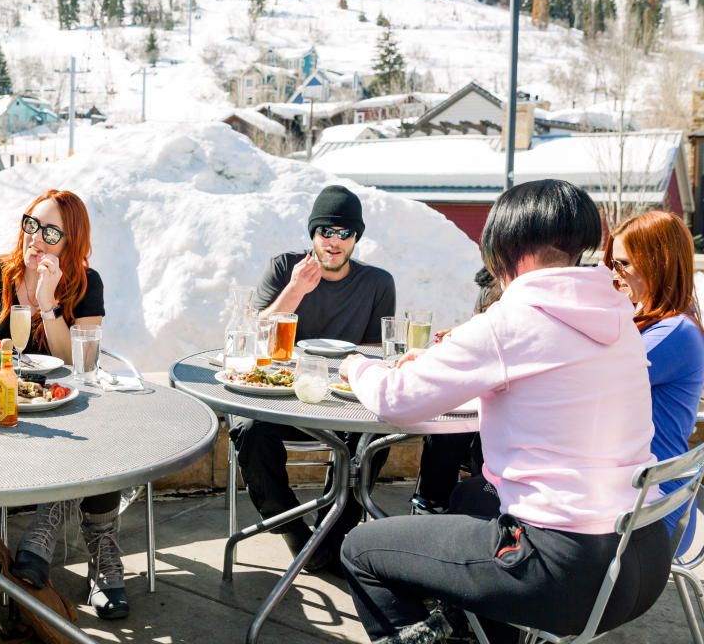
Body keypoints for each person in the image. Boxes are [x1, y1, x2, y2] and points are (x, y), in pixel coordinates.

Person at [339, 180, 671, 644]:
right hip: (643, 555)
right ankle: (476, 631)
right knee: (470, 498)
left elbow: (395, 398)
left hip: (564, 572)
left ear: (504, 248)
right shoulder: (615, 313)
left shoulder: (513, 318)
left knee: (360, 549)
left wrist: (357, 365)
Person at [0, 189, 126, 618]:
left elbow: (79, 366)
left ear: (70, 241)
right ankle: (45, 539)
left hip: (63, 402)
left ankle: (82, 545)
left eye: (51, 231)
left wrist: (50, 302)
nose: (35, 238)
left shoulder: (87, 284)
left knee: (101, 435)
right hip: (4, 406)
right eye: (31, 224)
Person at [230, 184, 395, 570]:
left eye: (344, 234)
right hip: (282, 400)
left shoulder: (376, 283)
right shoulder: (284, 268)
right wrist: (295, 290)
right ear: (312, 234)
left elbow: (375, 356)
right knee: (249, 429)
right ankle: (294, 533)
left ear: (356, 238)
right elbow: (254, 337)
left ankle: (334, 529)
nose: (334, 242)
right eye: (326, 232)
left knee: (380, 431)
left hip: (340, 402)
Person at [605, 210, 704, 556]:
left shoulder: (671, 332)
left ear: (657, 263)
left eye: (622, 264)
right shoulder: (654, 323)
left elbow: (589, 381)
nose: (612, 275)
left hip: (650, 512)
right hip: (642, 495)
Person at [409, 268, 497, 514]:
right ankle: (431, 502)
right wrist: (464, 337)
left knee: (467, 426)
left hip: (504, 435)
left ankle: (474, 504)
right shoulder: (494, 287)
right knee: (450, 422)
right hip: (475, 406)